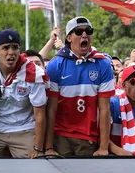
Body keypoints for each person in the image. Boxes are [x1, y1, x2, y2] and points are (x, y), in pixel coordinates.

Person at [0, 29, 47, 158]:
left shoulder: (34, 73)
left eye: (15, 48)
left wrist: (38, 149)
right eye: (5, 48)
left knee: (34, 165)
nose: (11, 52)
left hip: (24, 129)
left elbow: (40, 114)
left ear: (20, 50)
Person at [46, 16, 114, 156]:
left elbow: (104, 109)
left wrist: (103, 147)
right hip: (60, 134)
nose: (84, 35)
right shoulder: (55, 64)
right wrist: (48, 147)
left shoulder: (103, 64)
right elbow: (51, 108)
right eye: (78, 32)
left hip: (87, 136)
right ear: (69, 37)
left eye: (88, 31)